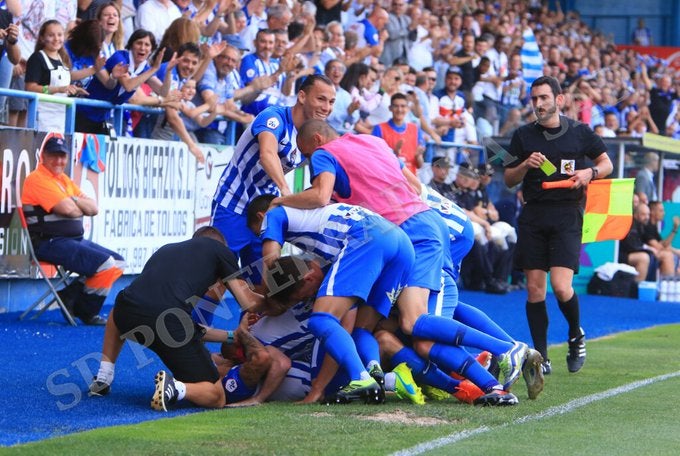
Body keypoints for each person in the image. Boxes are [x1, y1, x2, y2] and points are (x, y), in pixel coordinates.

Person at [271, 121, 528, 406]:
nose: (310, 164)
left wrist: (281, 199)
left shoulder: (323, 155)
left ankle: (504, 349)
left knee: (414, 324)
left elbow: (319, 195)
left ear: (318, 140)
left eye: (307, 155)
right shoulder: (373, 141)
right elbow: (415, 186)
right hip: (412, 229)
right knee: (371, 328)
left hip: (409, 233)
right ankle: (478, 384)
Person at [246, 196, 420, 404]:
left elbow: (270, 261)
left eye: (260, 233)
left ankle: (362, 379)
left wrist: (266, 300)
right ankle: (390, 378)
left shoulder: (274, 214)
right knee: (361, 331)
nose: (263, 237)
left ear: (261, 217)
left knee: (321, 321)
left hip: (369, 239)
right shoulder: (326, 248)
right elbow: (347, 327)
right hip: (398, 240)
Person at [504, 76, 613, 375]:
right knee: (534, 290)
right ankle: (542, 356)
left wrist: (590, 173)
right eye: (534, 99)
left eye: (543, 98)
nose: (538, 104)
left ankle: (576, 334)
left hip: (567, 214)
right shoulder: (523, 136)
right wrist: (525, 164)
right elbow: (509, 179)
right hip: (534, 215)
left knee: (562, 287)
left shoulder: (580, 132)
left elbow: (607, 163)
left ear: (559, 99)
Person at [88, 226, 264, 399]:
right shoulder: (220, 251)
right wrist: (278, 295)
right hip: (168, 324)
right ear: (221, 245)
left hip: (127, 312)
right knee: (216, 395)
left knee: (118, 309)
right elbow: (248, 302)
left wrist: (232, 336)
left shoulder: (166, 250)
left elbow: (183, 324)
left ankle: (104, 375)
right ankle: (175, 388)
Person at [210, 74, 336, 284]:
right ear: (302, 96)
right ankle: (197, 318)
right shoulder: (274, 117)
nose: (326, 108)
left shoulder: (313, 135)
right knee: (220, 279)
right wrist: (286, 191)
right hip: (232, 203)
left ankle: (254, 318)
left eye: (331, 102)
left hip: (265, 211)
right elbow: (267, 154)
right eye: (321, 99)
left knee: (265, 282)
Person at [21, 136, 125, 325]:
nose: (59, 161)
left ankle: (68, 295)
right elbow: (68, 210)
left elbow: (93, 208)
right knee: (106, 264)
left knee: (118, 263)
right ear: (43, 156)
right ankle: (86, 312)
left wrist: (71, 200)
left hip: (72, 240)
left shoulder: (63, 180)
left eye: (63, 156)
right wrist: (75, 203)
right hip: (48, 242)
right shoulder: (37, 179)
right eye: (54, 156)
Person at [24, 20, 89, 132]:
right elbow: (30, 88)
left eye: (59, 35)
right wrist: (58, 89)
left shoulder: (63, 59)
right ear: (42, 38)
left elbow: (64, 89)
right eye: (51, 35)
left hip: (62, 119)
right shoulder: (37, 58)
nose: (56, 39)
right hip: (42, 119)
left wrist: (73, 90)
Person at [371, 92, 425, 174]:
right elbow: (374, 159)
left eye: (403, 106)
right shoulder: (379, 129)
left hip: (409, 181)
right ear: (390, 108)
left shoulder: (415, 129)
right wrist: (393, 154)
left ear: (408, 108)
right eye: (396, 106)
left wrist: (418, 156)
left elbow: (420, 165)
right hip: (388, 178)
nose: (399, 110)